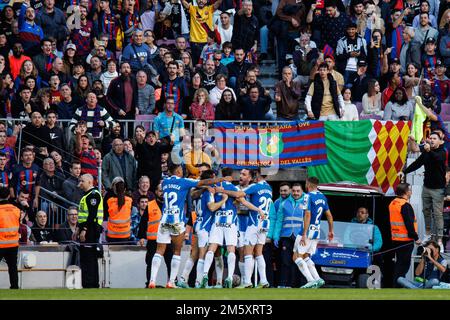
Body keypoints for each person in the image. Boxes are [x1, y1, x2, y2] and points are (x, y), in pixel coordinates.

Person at [147, 163, 230, 288]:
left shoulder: (164, 182)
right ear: (179, 171)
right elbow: (202, 182)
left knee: (159, 251)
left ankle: (152, 280)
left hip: (164, 220)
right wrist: (221, 179)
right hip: (176, 221)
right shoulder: (184, 181)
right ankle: (171, 281)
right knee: (177, 251)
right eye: (181, 170)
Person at [200, 167, 261, 289]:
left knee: (212, 248)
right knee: (231, 249)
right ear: (232, 176)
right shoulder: (234, 188)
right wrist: (258, 209)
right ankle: (229, 277)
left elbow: (211, 206)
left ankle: (205, 274)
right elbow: (242, 201)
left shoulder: (215, 186)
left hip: (217, 220)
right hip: (231, 221)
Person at [399, 131, 447, 251]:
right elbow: (417, 163)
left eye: (434, 138)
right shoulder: (426, 152)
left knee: (437, 214)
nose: (431, 140)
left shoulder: (442, 152)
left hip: (438, 189)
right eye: (430, 138)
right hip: (426, 187)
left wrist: (429, 151)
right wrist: (404, 172)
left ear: (440, 141)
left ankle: (440, 240)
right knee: (425, 211)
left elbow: (437, 159)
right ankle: (427, 233)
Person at [295, 176, 334, 289]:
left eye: (306, 183)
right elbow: (329, 215)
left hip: (306, 231)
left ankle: (311, 280)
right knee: (305, 256)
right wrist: (331, 230)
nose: (305, 186)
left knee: (297, 257)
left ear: (309, 184)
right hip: (316, 231)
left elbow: (308, 214)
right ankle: (318, 279)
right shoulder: (323, 197)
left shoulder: (308, 196)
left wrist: (304, 234)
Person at [238, 168, 274, 288]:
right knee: (259, 253)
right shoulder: (269, 188)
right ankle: (263, 281)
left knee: (248, 253)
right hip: (265, 223)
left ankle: (247, 282)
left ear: (257, 175)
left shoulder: (255, 187)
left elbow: (239, 195)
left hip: (254, 222)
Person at [272, 183, 307, 288]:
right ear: (291, 191)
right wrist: (276, 236)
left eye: (298, 191)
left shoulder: (306, 202)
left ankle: (296, 285)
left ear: (301, 192)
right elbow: (279, 221)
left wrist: (306, 235)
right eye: (294, 191)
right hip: (286, 236)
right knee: (285, 261)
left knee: (298, 261)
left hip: (300, 237)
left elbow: (308, 220)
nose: (296, 193)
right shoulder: (284, 203)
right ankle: (283, 284)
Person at [137, 194, 174, 288]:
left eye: (163, 190)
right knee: (150, 262)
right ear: (156, 192)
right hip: (153, 240)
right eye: (159, 190)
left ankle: (172, 281)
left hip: (168, 239)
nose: (162, 192)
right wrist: (141, 236)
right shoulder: (150, 205)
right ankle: (149, 282)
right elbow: (143, 222)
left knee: (170, 262)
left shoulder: (172, 204)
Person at [388, 182, 421, 286]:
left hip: (395, 239)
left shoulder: (393, 203)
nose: (411, 192)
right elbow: (409, 223)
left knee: (398, 265)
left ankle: (397, 285)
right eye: (410, 190)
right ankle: (397, 286)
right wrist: (416, 238)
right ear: (406, 192)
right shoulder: (405, 205)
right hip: (405, 241)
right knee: (403, 266)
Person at [77, 173, 104, 288]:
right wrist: (78, 228)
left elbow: (92, 215)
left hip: (91, 229)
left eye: (82, 181)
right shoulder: (87, 195)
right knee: (86, 257)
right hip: (87, 228)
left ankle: (91, 283)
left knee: (89, 258)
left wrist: (84, 230)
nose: (80, 183)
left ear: (89, 182)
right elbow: (83, 215)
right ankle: (88, 282)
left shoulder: (93, 195)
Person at [0, 186, 20, 289]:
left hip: (0, 244)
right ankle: (15, 287)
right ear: (8, 195)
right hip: (13, 243)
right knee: (13, 267)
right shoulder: (16, 209)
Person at [105, 177, 133, 243]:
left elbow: (106, 214)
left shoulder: (109, 201)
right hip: (125, 234)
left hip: (112, 235)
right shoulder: (129, 200)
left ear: (114, 188)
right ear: (124, 189)